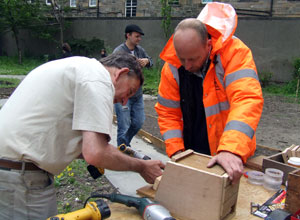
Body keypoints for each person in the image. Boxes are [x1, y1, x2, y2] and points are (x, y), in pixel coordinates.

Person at [0, 52, 164, 219]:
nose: (124, 102)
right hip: (21, 178)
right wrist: (142, 167)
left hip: (10, 170)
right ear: (121, 73)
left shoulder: (77, 68)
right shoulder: (98, 79)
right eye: (129, 92)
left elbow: (81, 147)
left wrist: (112, 154)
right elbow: (96, 152)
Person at [155, 2, 264, 184]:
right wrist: (177, 153)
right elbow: (168, 113)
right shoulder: (172, 65)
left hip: (229, 154)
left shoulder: (235, 53)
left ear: (208, 44)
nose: (187, 66)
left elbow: (246, 100)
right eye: (183, 59)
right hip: (191, 153)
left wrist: (231, 149)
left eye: (193, 58)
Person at [113, 24, 153, 147]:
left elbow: (150, 62)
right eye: (137, 36)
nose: (139, 39)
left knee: (138, 122)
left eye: (140, 37)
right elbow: (114, 71)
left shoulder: (139, 50)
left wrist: (147, 61)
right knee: (123, 125)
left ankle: (125, 144)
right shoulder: (119, 52)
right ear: (128, 35)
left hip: (137, 94)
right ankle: (123, 150)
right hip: (123, 95)